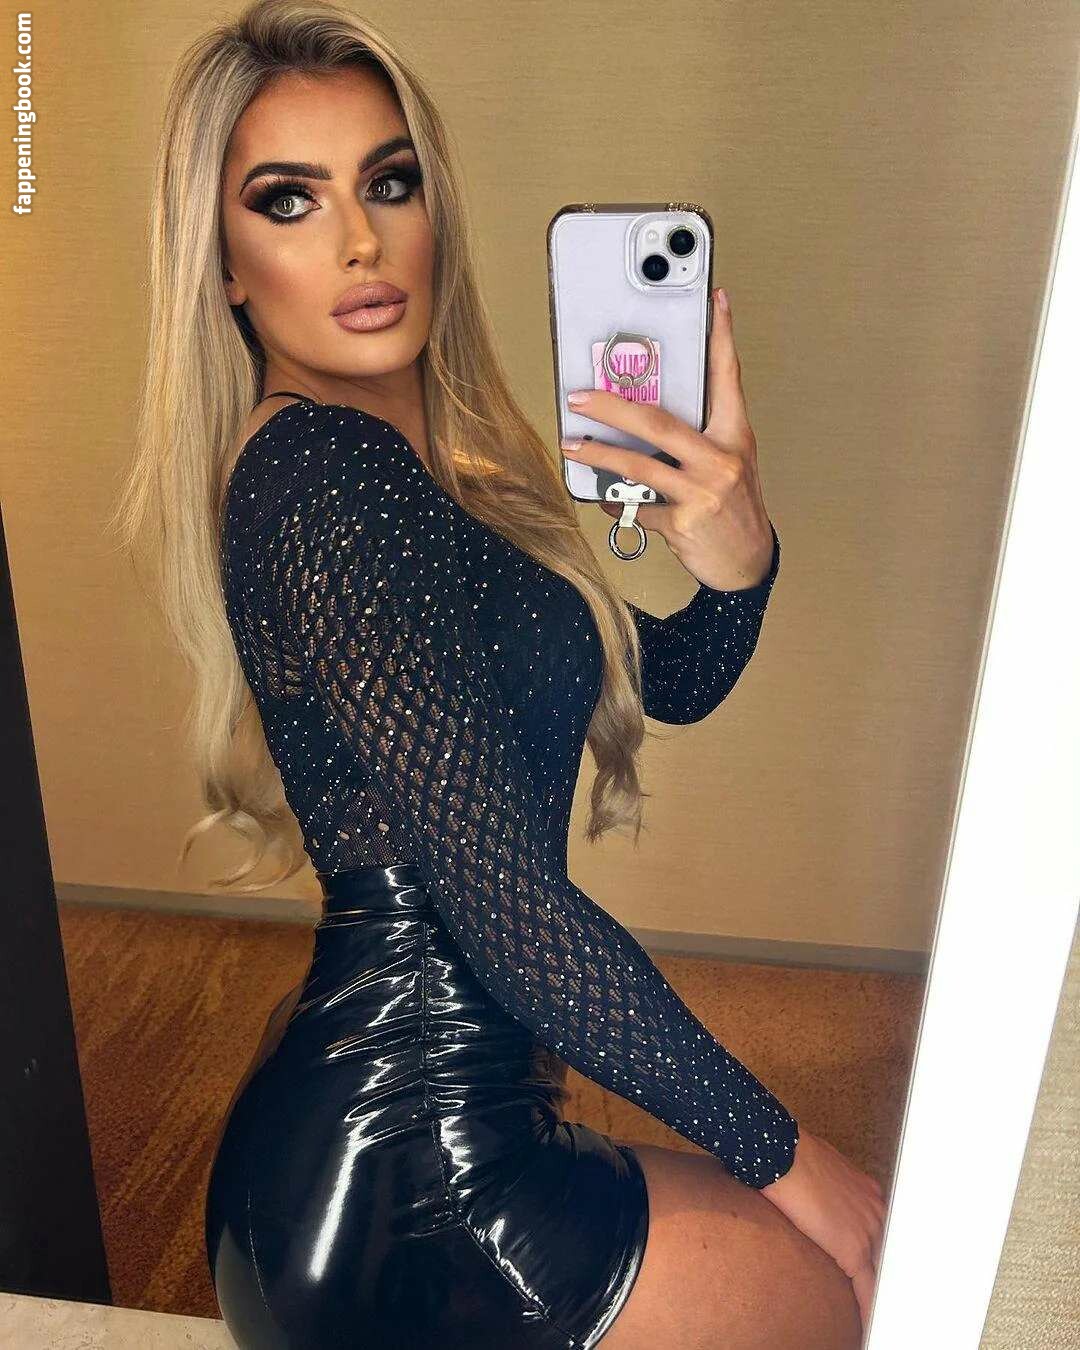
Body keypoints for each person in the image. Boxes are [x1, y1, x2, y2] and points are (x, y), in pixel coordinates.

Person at [113, 2, 882, 1345]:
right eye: (289, 201)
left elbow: (663, 682)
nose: (360, 241)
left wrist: (742, 559)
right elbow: (508, 909)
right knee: (873, 1284)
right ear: (226, 267)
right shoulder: (326, 475)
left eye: (389, 182)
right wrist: (795, 1159)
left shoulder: (433, 481)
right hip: (411, 1184)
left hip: (410, 1131)